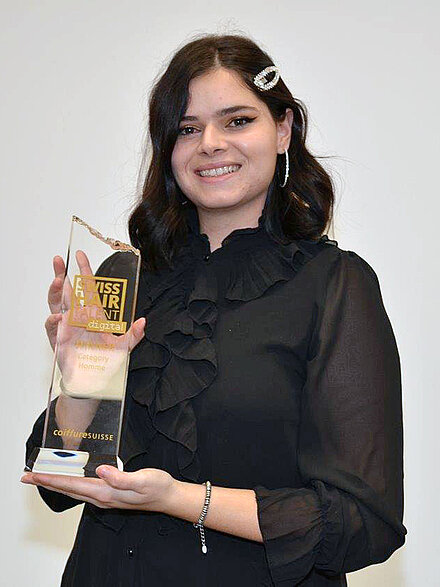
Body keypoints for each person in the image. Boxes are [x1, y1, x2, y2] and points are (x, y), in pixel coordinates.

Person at [22, 33, 407, 586]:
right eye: (187, 129)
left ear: (283, 129)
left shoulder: (336, 284)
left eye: (237, 121)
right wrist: (81, 383)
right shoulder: (123, 277)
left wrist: (180, 499)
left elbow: (362, 523)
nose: (209, 144)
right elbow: (57, 484)